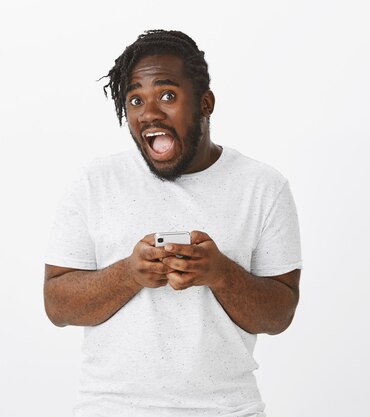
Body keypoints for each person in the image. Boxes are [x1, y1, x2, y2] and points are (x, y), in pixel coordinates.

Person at [43, 29, 302, 417]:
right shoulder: (94, 183)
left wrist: (220, 274)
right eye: (135, 99)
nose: (149, 113)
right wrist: (129, 274)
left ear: (205, 103)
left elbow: (280, 314)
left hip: (227, 410)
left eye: (167, 95)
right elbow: (56, 304)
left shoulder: (263, 187)